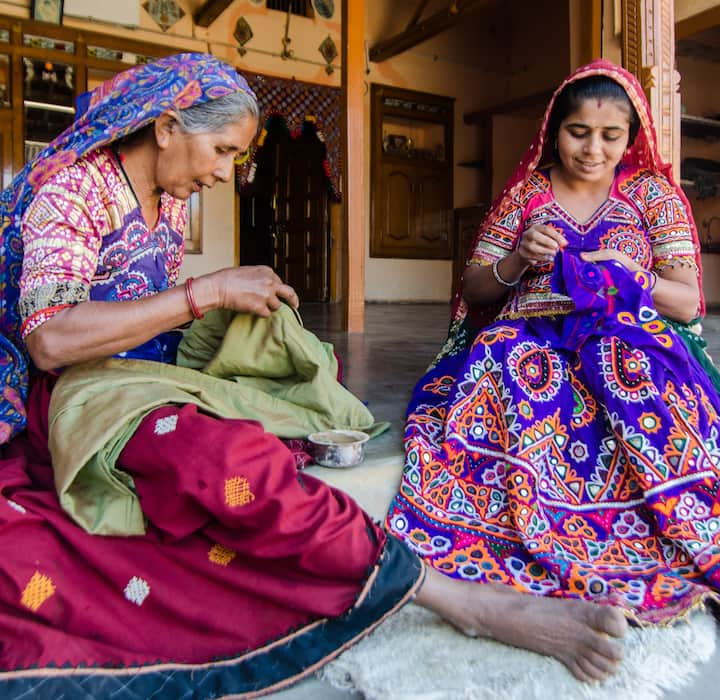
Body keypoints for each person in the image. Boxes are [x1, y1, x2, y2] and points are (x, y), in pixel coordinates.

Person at [0, 53, 628, 698]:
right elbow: (51, 338)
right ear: (165, 127)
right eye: (220, 151)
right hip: (80, 390)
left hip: (142, 375)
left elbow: (139, 297)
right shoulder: (74, 192)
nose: (224, 172)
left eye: (234, 158)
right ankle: (458, 600)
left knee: (301, 369)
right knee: (232, 461)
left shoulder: (166, 203)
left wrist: (233, 307)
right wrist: (207, 292)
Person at [387, 57, 720, 644]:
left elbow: (688, 302)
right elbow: (476, 288)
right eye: (577, 132)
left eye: (610, 135)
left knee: (630, 370)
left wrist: (628, 274)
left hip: (626, 333)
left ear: (631, 137)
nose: (592, 149)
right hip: (531, 334)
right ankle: (535, 526)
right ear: (553, 130)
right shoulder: (527, 195)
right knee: (506, 360)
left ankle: (643, 528)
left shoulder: (652, 195)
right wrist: (517, 260)